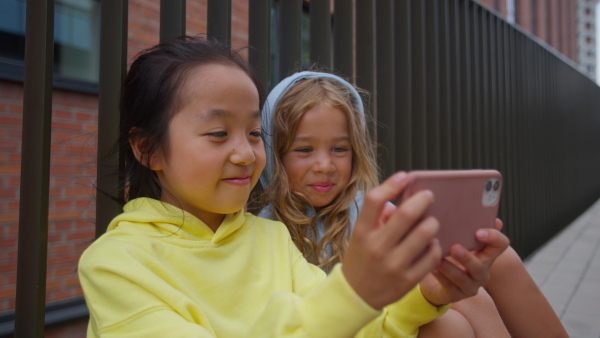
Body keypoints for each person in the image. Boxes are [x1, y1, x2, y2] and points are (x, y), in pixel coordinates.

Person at [78, 36, 457, 337]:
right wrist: (353, 293)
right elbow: (334, 315)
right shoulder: (116, 264)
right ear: (148, 149)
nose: (246, 154)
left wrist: (423, 296)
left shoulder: (273, 238)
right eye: (218, 133)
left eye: (255, 133)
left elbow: (350, 329)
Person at [258, 71, 568, 337]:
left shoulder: (368, 210)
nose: (324, 165)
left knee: (498, 258)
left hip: (399, 310)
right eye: (304, 150)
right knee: (453, 319)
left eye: (340, 148)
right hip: (354, 323)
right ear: (275, 153)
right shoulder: (268, 231)